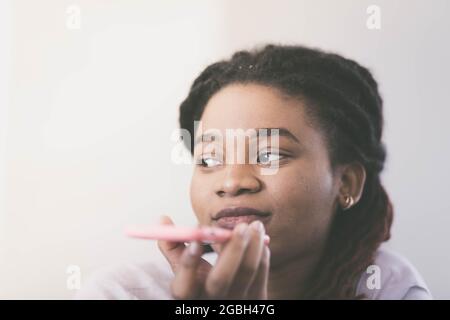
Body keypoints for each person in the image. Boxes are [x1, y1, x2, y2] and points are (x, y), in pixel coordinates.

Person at [74, 44, 432, 300]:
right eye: (209, 160)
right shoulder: (118, 293)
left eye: (270, 154)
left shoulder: (390, 289)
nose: (231, 183)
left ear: (346, 183)